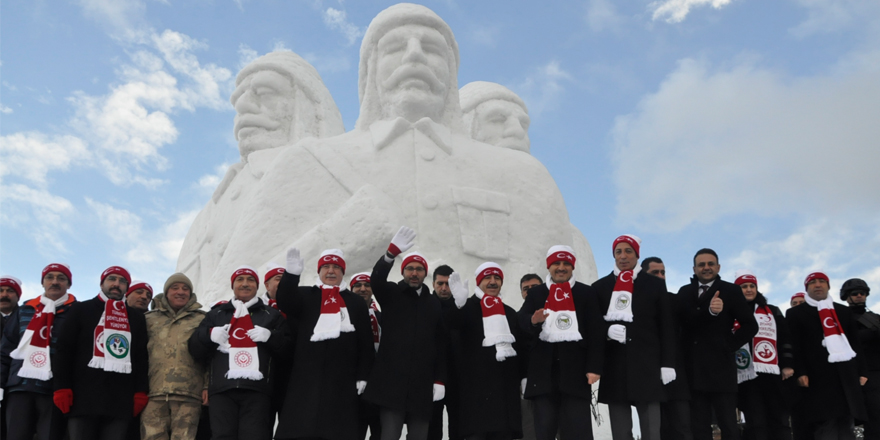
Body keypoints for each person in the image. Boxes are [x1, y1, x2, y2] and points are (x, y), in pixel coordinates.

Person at [197, 2, 596, 303]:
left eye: (431, 48)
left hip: (485, 383)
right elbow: (226, 290)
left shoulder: (521, 175)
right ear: (370, 72)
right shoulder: (313, 162)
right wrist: (342, 236)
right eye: (395, 48)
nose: (415, 55)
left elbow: (568, 292)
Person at [177, 50, 345, 297]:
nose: (243, 105)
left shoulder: (327, 177)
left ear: (305, 105)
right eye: (239, 99)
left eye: (264, 93)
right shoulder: (216, 202)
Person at [273, 248, 374, 440]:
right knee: (300, 429)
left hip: (343, 380)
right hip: (306, 378)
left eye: (336, 267)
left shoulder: (355, 302)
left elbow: (365, 343)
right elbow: (284, 302)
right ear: (319, 271)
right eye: (326, 266)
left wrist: (363, 375)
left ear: (343, 272)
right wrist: (291, 276)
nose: (331, 271)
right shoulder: (305, 295)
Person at [362, 226, 448, 440]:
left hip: (422, 384)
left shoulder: (433, 304)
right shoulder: (391, 294)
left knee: (419, 436)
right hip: (391, 383)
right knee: (389, 435)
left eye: (419, 269)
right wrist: (390, 255)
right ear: (403, 272)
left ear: (425, 273)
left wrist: (439, 380)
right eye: (409, 268)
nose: (414, 273)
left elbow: (440, 345)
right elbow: (376, 280)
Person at [187, 266, 292, 440]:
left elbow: (288, 351)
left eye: (250, 280)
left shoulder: (271, 315)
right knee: (222, 436)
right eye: (240, 280)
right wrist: (209, 335)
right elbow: (195, 349)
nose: (245, 284)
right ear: (232, 285)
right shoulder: (216, 314)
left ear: (257, 286)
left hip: (258, 391)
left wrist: (271, 337)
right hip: (222, 390)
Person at [517, 245, 605, 440]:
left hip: (576, 374)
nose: (561, 267)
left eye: (566, 263)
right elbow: (520, 320)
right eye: (556, 263)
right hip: (543, 375)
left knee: (578, 431)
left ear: (572, 267)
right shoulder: (537, 293)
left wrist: (594, 367)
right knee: (544, 430)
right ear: (549, 267)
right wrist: (533, 320)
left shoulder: (585, 293)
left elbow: (596, 332)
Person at [53, 266, 150, 440]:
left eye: (122, 281)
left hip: (120, 400)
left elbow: (141, 357)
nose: (116, 284)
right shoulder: (81, 309)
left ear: (126, 288)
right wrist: (62, 387)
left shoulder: (135, 317)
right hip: (82, 397)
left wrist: (140, 391)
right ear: (102, 283)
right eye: (112, 279)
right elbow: (64, 350)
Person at [593, 236, 674, 440]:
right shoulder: (600, 287)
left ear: (637, 254)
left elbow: (666, 326)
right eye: (618, 251)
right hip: (615, 367)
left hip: (648, 366)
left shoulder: (654, 285)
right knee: (620, 433)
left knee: (651, 431)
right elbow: (592, 325)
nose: (623, 256)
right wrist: (607, 331)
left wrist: (668, 363)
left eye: (628, 251)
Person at [677, 249, 757, 440]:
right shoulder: (684, 292)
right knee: (699, 426)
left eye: (710, 264)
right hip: (693, 369)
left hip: (721, 369)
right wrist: (710, 312)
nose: (706, 268)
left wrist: (728, 345)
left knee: (728, 424)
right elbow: (683, 324)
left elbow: (750, 325)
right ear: (694, 268)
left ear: (718, 267)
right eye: (701, 264)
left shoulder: (730, 290)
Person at [444, 262, 525, 440]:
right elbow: (452, 324)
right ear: (478, 282)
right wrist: (457, 304)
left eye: (496, 278)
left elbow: (519, 350)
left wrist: (523, 377)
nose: (492, 282)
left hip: (504, 398)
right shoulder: (467, 308)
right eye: (487, 278)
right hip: (476, 397)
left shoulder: (510, 313)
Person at [787, 272, 867, 440]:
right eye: (813, 282)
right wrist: (800, 372)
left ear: (828, 286)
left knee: (846, 423)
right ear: (806, 288)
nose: (818, 285)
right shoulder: (795, 313)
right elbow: (796, 345)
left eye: (822, 281)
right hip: (816, 378)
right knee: (825, 424)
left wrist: (862, 371)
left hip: (845, 375)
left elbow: (855, 342)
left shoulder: (843, 311)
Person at [1, 265, 77, 440]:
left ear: (69, 284)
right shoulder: (25, 309)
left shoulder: (77, 312)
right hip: (19, 387)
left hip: (53, 390)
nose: (55, 282)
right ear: (43, 282)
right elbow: (6, 350)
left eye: (61, 278)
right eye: (50, 277)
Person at [140, 273, 207, 440]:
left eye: (185, 289)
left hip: (189, 394)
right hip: (153, 393)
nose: (180, 292)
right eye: (175, 288)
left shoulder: (203, 319)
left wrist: (207, 386)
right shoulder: (148, 319)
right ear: (166, 292)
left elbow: (210, 355)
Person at [732, 270, 794, 440]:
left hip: (772, 374)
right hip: (746, 375)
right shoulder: (731, 314)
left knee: (779, 418)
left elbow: (785, 337)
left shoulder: (772, 311)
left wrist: (787, 364)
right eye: (744, 286)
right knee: (755, 421)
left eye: (752, 286)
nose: (749, 289)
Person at [639, 257, 692, 440]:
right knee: (656, 431)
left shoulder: (676, 301)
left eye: (663, 272)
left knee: (682, 427)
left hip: (677, 376)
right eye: (655, 273)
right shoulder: (633, 302)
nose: (660, 277)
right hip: (649, 377)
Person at [840, 278, 878, 440]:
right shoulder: (841, 316)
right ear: (847, 296)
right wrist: (866, 335)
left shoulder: (875, 318)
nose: (859, 296)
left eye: (863, 293)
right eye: (855, 293)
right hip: (856, 373)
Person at [429, 264, 462, 440]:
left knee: (458, 425)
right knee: (432, 426)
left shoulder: (462, 306)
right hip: (431, 376)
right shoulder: (426, 305)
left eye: (448, 284)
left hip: (457, 376)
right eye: (440, 283)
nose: (443, 288)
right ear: (433, 284)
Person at [350, 272, 383, 440]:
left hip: (378, 382)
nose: (363, 289)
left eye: (367, 285)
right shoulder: (343, 315)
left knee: (379, 430)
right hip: (352, 381)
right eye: (358, 285)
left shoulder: (381, 316)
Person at [517, 273, 542, 440]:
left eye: (535, 288)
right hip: (528, 385)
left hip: (556, 382)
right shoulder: (516, 318)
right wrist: (523, 377)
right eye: (526, 289)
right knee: (529, 430)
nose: (530, 292)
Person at [0, 275, 21, 439]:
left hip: (17, 386)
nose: (4, 295)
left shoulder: (29, 318)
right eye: (0, 291)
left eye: (9, 291)